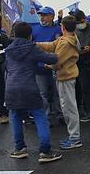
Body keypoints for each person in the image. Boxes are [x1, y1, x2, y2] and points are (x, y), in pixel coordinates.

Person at [4, 22, 62, 163]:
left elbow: (7, 67)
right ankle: (45, 151)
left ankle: (20, 149)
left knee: (16, 116)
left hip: (11, 87)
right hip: (29, 86)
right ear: (30, 35)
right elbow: (52, 59)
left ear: (15, 34)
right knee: (39, 115)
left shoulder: (8, 50)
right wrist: (58, 48)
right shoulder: (32, 48)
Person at [36, 16, 82, 150]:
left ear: (63, 27)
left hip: (66, 77)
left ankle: (75, 138)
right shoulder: (65, 39)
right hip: (65, 77)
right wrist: (36, 44)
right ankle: (73, 136)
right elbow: (51, 46)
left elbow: (56, 61)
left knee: (69, 108)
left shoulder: (66, 43)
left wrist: (47, 65)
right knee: (67, 107)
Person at [32, 6, 63, 125]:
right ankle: (46, 118)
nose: (42, 17)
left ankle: (60, 115)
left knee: (57, 93)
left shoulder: (58, 30)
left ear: (52, 16)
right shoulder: (35, 29)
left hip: (54, 66)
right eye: (41, 15)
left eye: (45, 15)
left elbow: (60, 46)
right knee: (43, 93)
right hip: (39, 67)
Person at [74, 10, 90, 122]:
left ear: (84, 18)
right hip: (81, 62)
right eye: (78, 22)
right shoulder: (74, 30)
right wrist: (79, 51)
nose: (80, 23)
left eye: (81, 21)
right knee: (85, 88)